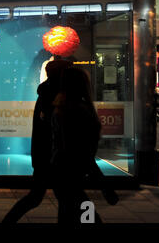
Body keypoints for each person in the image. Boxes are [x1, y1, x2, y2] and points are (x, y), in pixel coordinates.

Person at [2, 59, 72, 223]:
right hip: (53, 158)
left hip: (45, 157)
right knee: (69, 199)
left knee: (43, 197)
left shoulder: (47, 94)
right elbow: (55, 132)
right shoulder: (55, 98)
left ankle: (7, 221)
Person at [50, 66, 103, 224]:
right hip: (70, 174)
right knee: (86, 217)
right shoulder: (78, 111)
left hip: (62, 172)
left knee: (68, 214)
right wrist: (103, 184)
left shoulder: (61, 108)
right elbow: (78, 150)